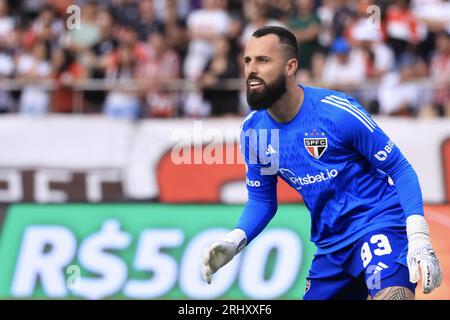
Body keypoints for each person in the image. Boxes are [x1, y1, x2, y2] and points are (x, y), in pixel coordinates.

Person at [200, 26, 442, 300]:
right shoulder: (254, 132)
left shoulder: (337, 112)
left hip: (378, 224)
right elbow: (262, 201)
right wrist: (235, 240)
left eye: (263, 60)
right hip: (330, 247)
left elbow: (400, 169)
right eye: (247, 61)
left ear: (290, 66)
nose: (251, 70)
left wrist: (419, 236)